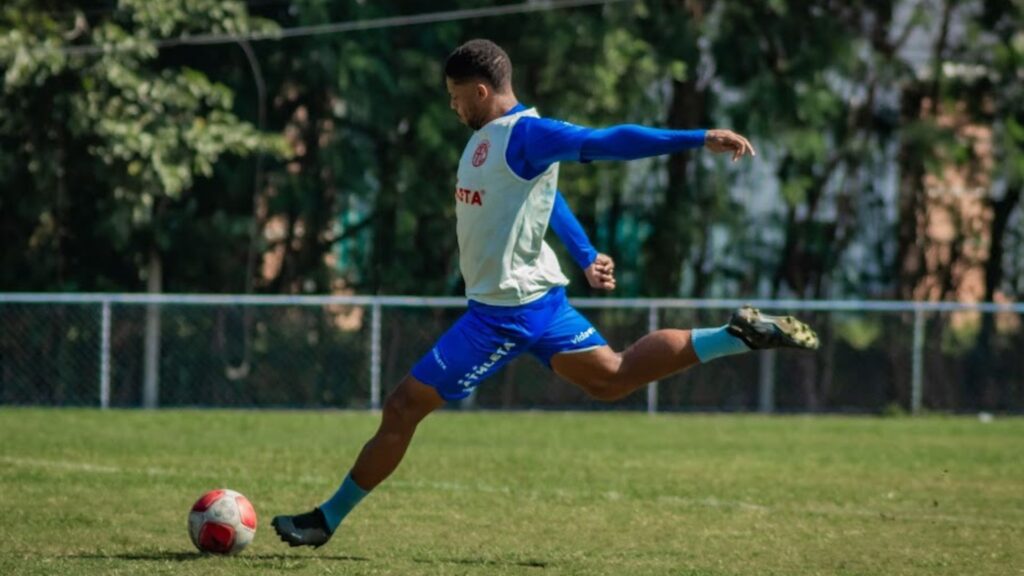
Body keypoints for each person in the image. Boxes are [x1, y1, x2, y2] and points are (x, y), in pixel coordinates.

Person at [272, 39, 818, 548]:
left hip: (501, 316)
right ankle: (735, 335)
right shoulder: (493, 144)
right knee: (612, 377)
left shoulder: (525, 134)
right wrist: (583, 255)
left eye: (455, 96)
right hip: (539, 303)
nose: (452, 106)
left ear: (480, 91)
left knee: (402, 407)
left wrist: (696, 138)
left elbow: (608, 140)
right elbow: (544, 197)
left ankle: (325, 520)